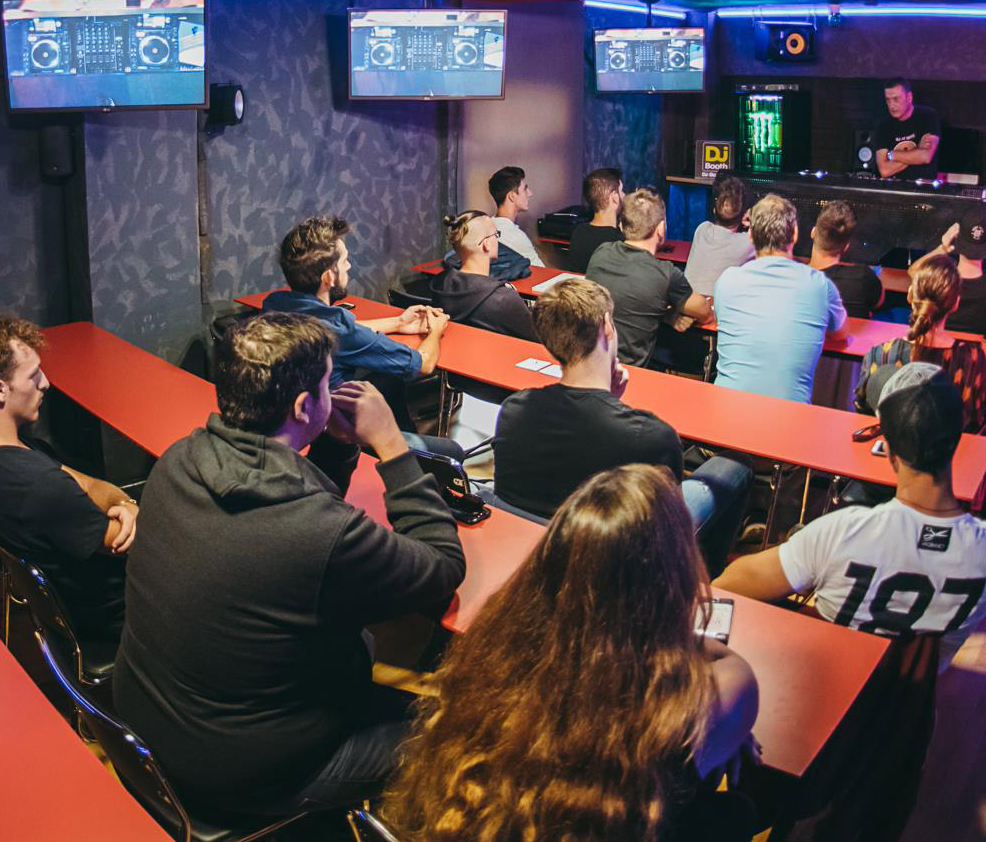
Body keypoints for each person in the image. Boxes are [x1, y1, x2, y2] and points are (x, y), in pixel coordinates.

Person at [114, 312, 466, 815]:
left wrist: (335, 441)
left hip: (151, 726)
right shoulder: (323, 532)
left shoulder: (180, 459)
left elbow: (292, 497)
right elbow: (442, 569)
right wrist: (390, 445)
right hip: (246, 771)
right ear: (303, 405)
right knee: (462, 729)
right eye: (328, 385)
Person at [382, 465, 760, 842]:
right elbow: (717, 666)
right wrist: (727, 720)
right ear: (674, 579)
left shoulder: (494, 645)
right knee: (736, 812)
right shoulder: (716, 690)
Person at [715, 361, 986, 672]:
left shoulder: (841, 532)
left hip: (824, 689)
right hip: (914, 700)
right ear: (958, 440)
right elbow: (985, 607)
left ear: (889, 449)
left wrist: (802, 554)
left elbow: (730, 584)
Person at [493, 278, 752, 573]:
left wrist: (609, 399)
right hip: (617, 563)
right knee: (736, 466)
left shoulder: (513, 410)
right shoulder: (652, 437)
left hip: (532, 556)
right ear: (607, 326)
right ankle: (704, 579)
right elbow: (672, 527)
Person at [0, 313, 134, 643]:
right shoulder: (38, 486)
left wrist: (123, 502)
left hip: (69, 608)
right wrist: (133, 509)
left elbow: (88, 484)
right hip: (115, 614)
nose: (45, 383)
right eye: (33, 375)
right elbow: (130, 541)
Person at [263, 215, 449, 429]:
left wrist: (398, 323)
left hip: (289, 419)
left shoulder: (275, 304)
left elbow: (340, 332)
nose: (349, 266)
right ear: (328, 277)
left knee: (385, 380)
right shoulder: (340, 331)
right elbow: (424, 364)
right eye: (344, 261)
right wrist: (436, 331)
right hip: (337, 427)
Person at [711, 195, 847, 404]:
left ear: (750, 236)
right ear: (795, 234)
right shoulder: (819, 285)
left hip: (724, 409)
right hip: (791, 417)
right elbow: (840, 333)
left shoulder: (726, 281)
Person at [859, 251, 986, 433]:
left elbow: (863, 410)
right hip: (950, 448)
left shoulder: (879, 354)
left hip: (892, 445)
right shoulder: (973, 358)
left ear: (910, 295)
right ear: (956, 303)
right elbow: (974, 420)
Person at [586, 187, 696, 369]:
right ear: (661, 228)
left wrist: (661, 313)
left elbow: (624, 302)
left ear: (622, 226)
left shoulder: (601, 252)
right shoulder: (666, 274)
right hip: (628, 374)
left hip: (588, 363)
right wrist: (667, 314)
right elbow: (704, 313)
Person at [430, 211, 538, 341]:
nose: (497, 239)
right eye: (496, 235)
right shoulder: (504, 299)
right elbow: (538, 339)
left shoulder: (439, 284)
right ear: (486, 244)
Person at [680, 173, 755, 323]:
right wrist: (752, 220)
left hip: (688, 307)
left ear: (714, 210)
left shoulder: (701, 229)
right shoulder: (747, 243)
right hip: (713, 315)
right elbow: (764, 235)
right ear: (742, 216)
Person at [807, 200, 884, 315]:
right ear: (846, 246)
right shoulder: (862, 277)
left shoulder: (794, 276)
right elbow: (879, 302)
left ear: (813, 232)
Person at [872, 77, 942, 178]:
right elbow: (884, 171)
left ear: (909, 97)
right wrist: (917, 149)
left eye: (896, 99)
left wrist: (892, 155)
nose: (891, 105)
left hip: (924, 185)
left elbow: (926, 156)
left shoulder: (928, 116)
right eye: (888, 100)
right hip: (894, 186)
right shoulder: (883, 125)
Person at [567, 166, 626, 273]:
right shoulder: (618, 242)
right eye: (621, 191)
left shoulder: (579, 231)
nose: (624, 195)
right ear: (614, 197)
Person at [487, 165, 543, 265]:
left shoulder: (487, 228)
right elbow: (542, 271)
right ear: (512, 196)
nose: (530, 193)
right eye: (525, 189)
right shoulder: (516, 237)